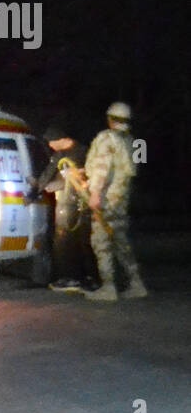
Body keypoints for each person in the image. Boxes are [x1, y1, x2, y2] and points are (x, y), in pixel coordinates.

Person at [82, 102, 147, 301]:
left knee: (101, 242)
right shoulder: (132, 141)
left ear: (110, 119)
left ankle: (108, 287)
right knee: (121, 242)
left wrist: (95, 194)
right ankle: (137, 284)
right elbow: (133, 170)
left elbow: (103, 167)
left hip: (106, 200)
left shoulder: (106, 138)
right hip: (121, 201)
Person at [33, 126, 95, 292]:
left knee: (84, 242)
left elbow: (94, 173)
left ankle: (89, 278)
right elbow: (48, 173)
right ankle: (68, 278)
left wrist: (77, 174)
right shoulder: (59, 155)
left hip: (82, 205)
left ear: (61, 139)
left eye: (52, 142)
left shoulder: (83, 151)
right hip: (65, 205)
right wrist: (35, 191)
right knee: (62, 243)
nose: (51, 146)